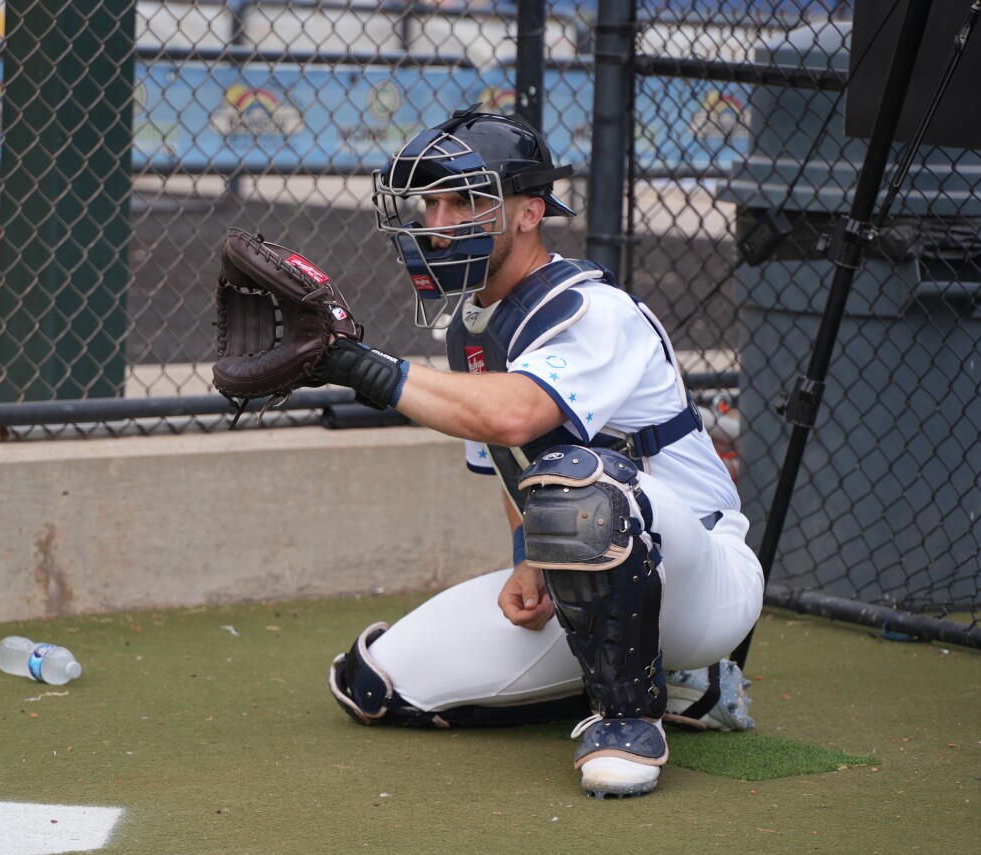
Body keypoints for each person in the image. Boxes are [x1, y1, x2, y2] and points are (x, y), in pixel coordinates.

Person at [317, 107, 765, 799]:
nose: (437, 223)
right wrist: (529, 558)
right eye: (429, 203)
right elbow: (508, 460)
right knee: (375, 682)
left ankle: (630, 721)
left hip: (699, 575)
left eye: (464, 201)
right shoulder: (473, 330)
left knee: (576, 479)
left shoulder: (590, 309)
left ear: (529, 212)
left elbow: (517, 415)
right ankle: (655, 674)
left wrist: (360, 366)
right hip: (594, 571)